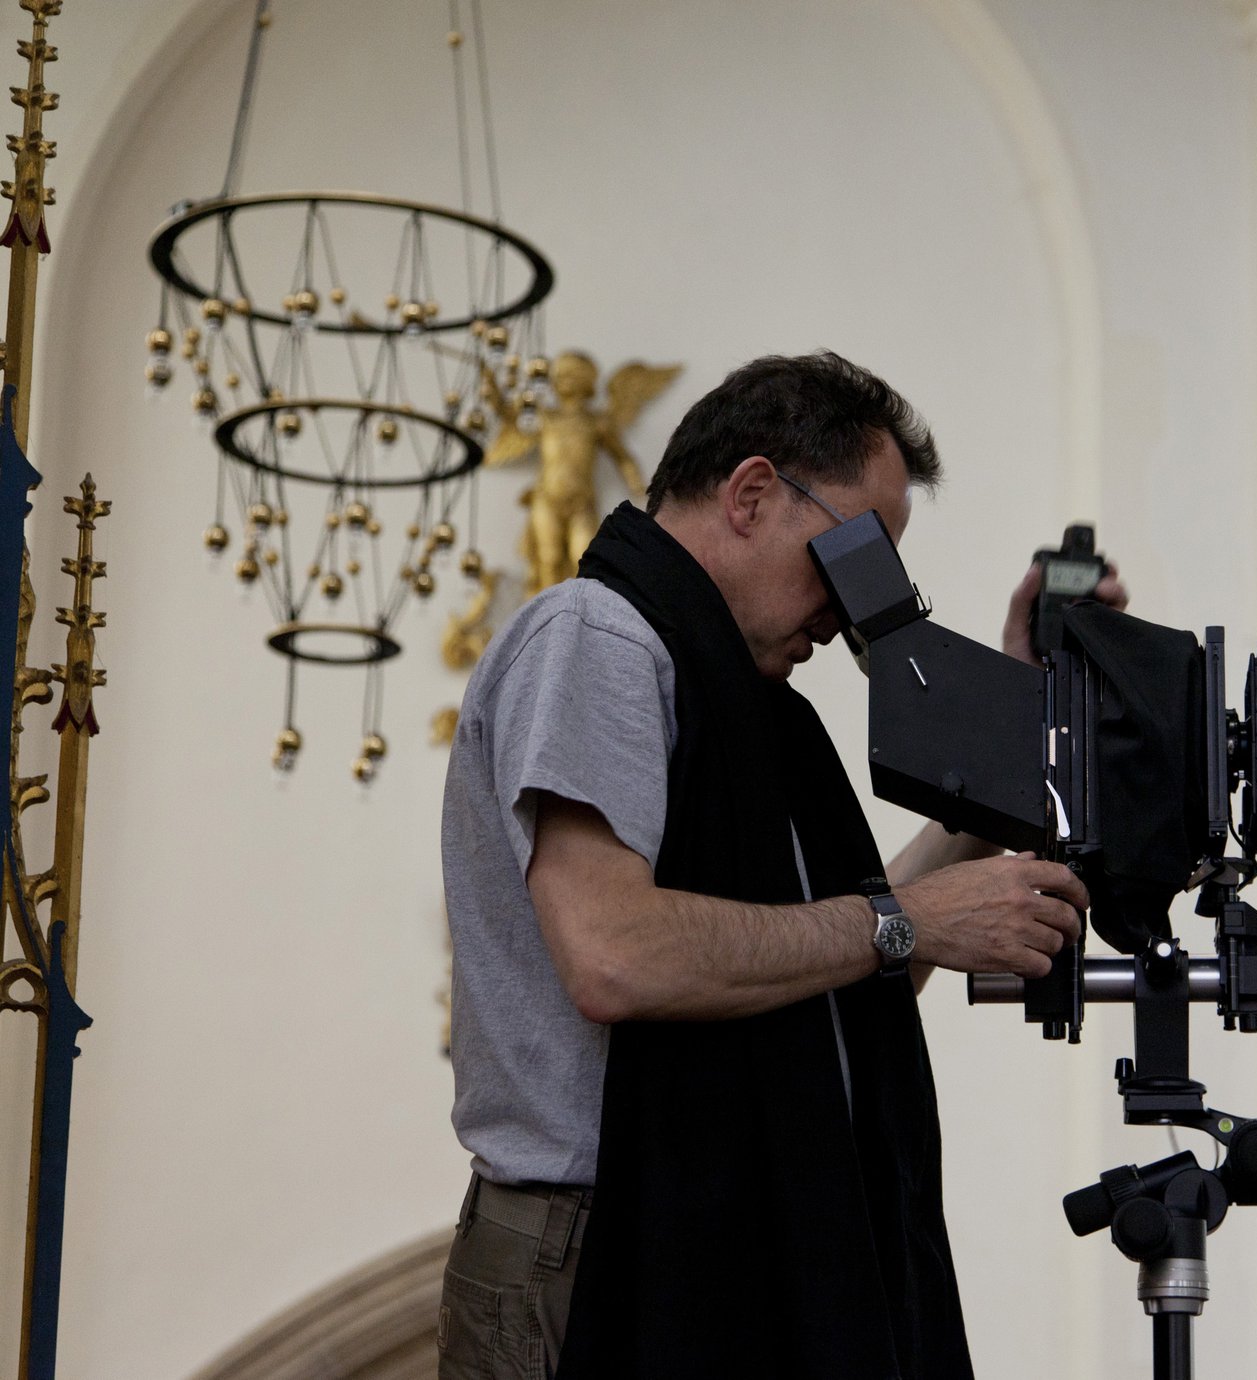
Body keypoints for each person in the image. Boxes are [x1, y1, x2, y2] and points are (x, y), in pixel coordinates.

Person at [438, 351, 1126, 1380]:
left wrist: (1015, 715)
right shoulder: (599, 634)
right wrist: (908, 921)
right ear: (753, 492)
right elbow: (615, 955)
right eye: (856, 557)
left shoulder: (756, 715)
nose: (856, 608)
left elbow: (832, 975)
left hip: (714, 1228)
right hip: (595, 1251)